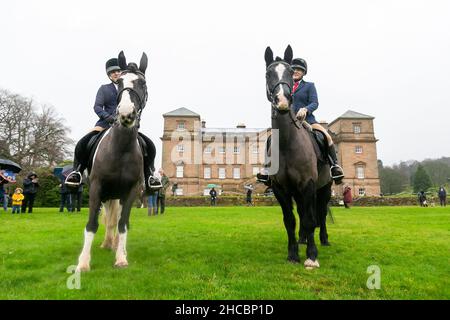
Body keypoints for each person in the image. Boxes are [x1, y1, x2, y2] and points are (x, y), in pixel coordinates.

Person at [64, 57, 161, 192]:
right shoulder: (104, 89)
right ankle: (77, 172)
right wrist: (109, 118)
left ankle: (149, 175)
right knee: (84, 142)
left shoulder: (130, 86)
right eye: (112, 72)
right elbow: (97, 107)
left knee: (148, 145)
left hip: (127, 125)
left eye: (117, 71)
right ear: (109, 75)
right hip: (105, 125)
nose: (115, 73)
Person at [257, 58, 344, 185]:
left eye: (300, 69)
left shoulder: (309, 86)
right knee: (271, 139)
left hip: (307, 120)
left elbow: (315, 102)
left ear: (304, 72)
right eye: (294, 69)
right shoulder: (285, 85)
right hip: (288, 122)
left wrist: (306, 109)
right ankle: (268, 169)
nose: (297, 71)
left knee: (327, 137)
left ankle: (334, 166)